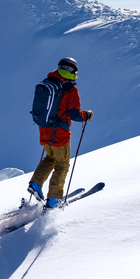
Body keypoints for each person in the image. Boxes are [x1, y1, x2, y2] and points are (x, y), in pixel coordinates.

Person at [28, 57, 93, 208]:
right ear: (72, 71)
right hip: (60, 134)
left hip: (44, 130)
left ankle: (35, 184)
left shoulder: (48, 83)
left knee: (50, 158)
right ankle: (53, 200)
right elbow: (75, 114)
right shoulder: (70, 89)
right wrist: (87, 115)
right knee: (62, 165)